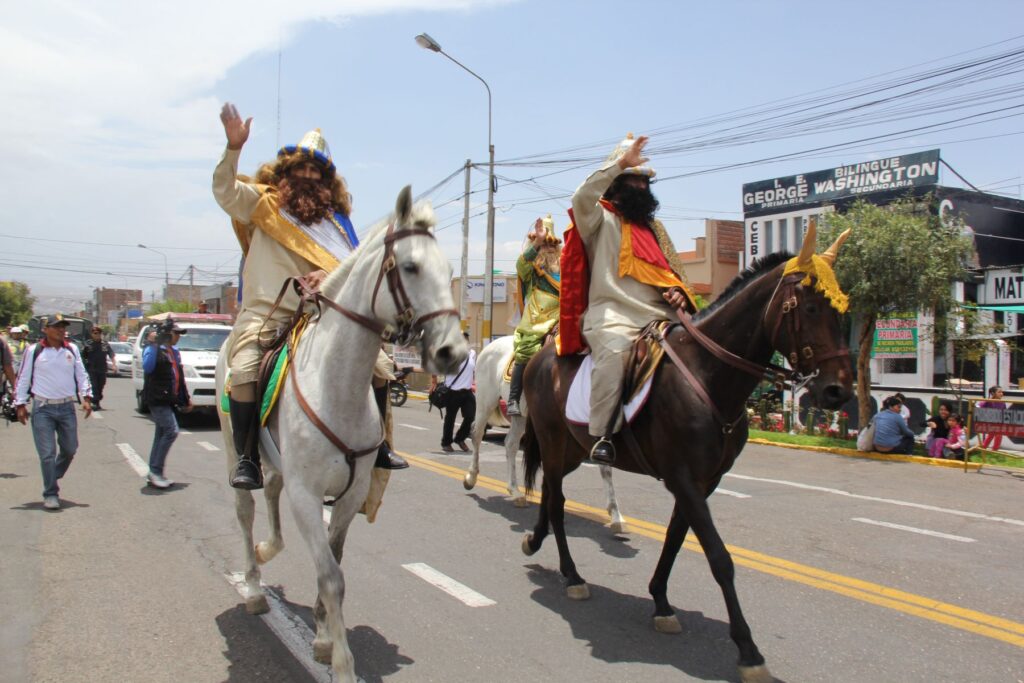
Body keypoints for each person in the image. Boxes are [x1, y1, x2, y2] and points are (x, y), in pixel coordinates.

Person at [213, 102, 406, 490]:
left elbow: (353, 273)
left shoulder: (337, 225)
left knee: (380, 367)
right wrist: (233, 148)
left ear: (325, 181)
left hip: (321, 316)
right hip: (269, 314)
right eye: (299, 168)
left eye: (315, 171)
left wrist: (326, 276)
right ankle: (248, 458)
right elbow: (225, 192)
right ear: (285, 172)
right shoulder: (264, 203)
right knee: (247, 366)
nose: (306, 176)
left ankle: (378, 445)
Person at [566, 133, 697, 464]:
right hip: (613, 316)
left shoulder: (656, 230)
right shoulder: (598, 219)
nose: (641, 187)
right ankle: (602, 435)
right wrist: (620, 163)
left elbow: (677, 276)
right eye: (632, 180)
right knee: (613, 357)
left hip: (661, 317)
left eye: (644, 182)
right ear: (616, 184)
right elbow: (581, 196)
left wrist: (679, 294)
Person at [13, 314, 93, 510]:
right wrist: (20, 404)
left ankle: (53, 473)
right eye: (56, 327)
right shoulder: (35, 351)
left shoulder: (71, 349)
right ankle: (51, 493)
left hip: (66, 407)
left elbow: (81, 374)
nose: (60, 330)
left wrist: (87, 397)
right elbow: (23, 377)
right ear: (45, 329)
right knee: (47, 454)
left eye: (63, 327)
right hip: (43, 409)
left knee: (70, 448)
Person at [507, 216, 562, 417]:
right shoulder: (532, 267)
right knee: (527, 345)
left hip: (562, 315)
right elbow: (520, 267)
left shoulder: (565, 267)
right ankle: (514, 397)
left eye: (550, 244)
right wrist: (537, 242)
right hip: (538, 316)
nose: (548, 247)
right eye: (543, 244)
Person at [142, 319, 193, 488]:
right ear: (167, 333)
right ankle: (155, 471)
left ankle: (155, 472)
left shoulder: (174, 352)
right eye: (176, 333)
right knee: (171, 431)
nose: (178, 336)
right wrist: (154, 345)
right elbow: (148, 368)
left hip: (168, 399)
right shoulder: (153, 349)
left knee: (161, 434)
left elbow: (179, 377)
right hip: (157, 399)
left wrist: (185, 398)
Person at [431, 331, 476, 452]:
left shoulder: (472, 353)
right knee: (450, 419)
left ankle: (460, 438)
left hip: (467, 391)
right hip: (452, 392)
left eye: (466, 339)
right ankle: (446, 443)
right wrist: (434, 381)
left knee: (471, 416)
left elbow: (472, 370)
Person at [82, 327, 115, 410]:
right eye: (94, 333)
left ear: (101, 334)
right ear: (92, 334)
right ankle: (94, 402)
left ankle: (97, 400)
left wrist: (114, 365)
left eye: (98, 333)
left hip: (102, 369)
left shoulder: (105, 344)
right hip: (91, 369)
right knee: (94, 386)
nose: (96, 335)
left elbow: (111, 354)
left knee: (101, 386)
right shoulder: (87, 344)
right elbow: (82, 356)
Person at [979, 386, 1007, 452]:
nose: (1001, 393)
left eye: (1002, 392)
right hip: (990, 422)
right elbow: (979, 407)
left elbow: (1004, 412)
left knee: (996, 435)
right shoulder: (988, 401)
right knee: (995, 435)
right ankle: (988, 449)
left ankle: (989, 449)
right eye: (999, 392)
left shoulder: (1002, 403)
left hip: (999, 423)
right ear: (993, 393)